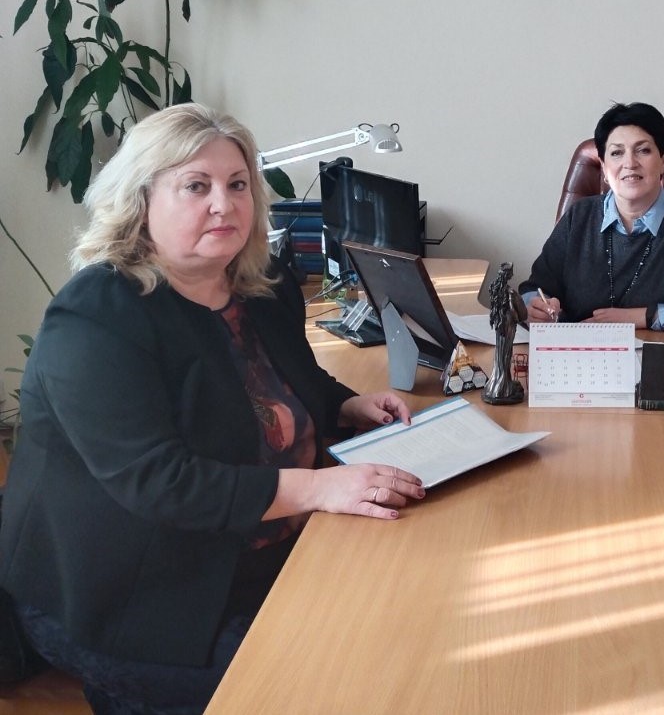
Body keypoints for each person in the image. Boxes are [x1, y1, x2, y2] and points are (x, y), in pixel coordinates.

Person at [0, 104, 425, 715]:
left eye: (237, 184)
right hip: (130, 592)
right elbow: (161, 482)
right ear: (141, 201)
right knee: (312, 691)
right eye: (196, 186)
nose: (224, 205)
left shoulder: (261, 282)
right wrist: (319, 488)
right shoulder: (93, 317)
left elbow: (290, 377)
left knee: (398, 629)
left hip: (250, 548)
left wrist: (348, 404)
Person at [519, 102, 664, 332]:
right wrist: (534, 308)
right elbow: (534, 289)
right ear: (604, 168)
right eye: (617, 153)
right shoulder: (579, 216)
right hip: (580, 351)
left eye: (643, 150)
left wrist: (644, 316)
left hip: (656, 352)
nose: (629, 163)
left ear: (663, 162)